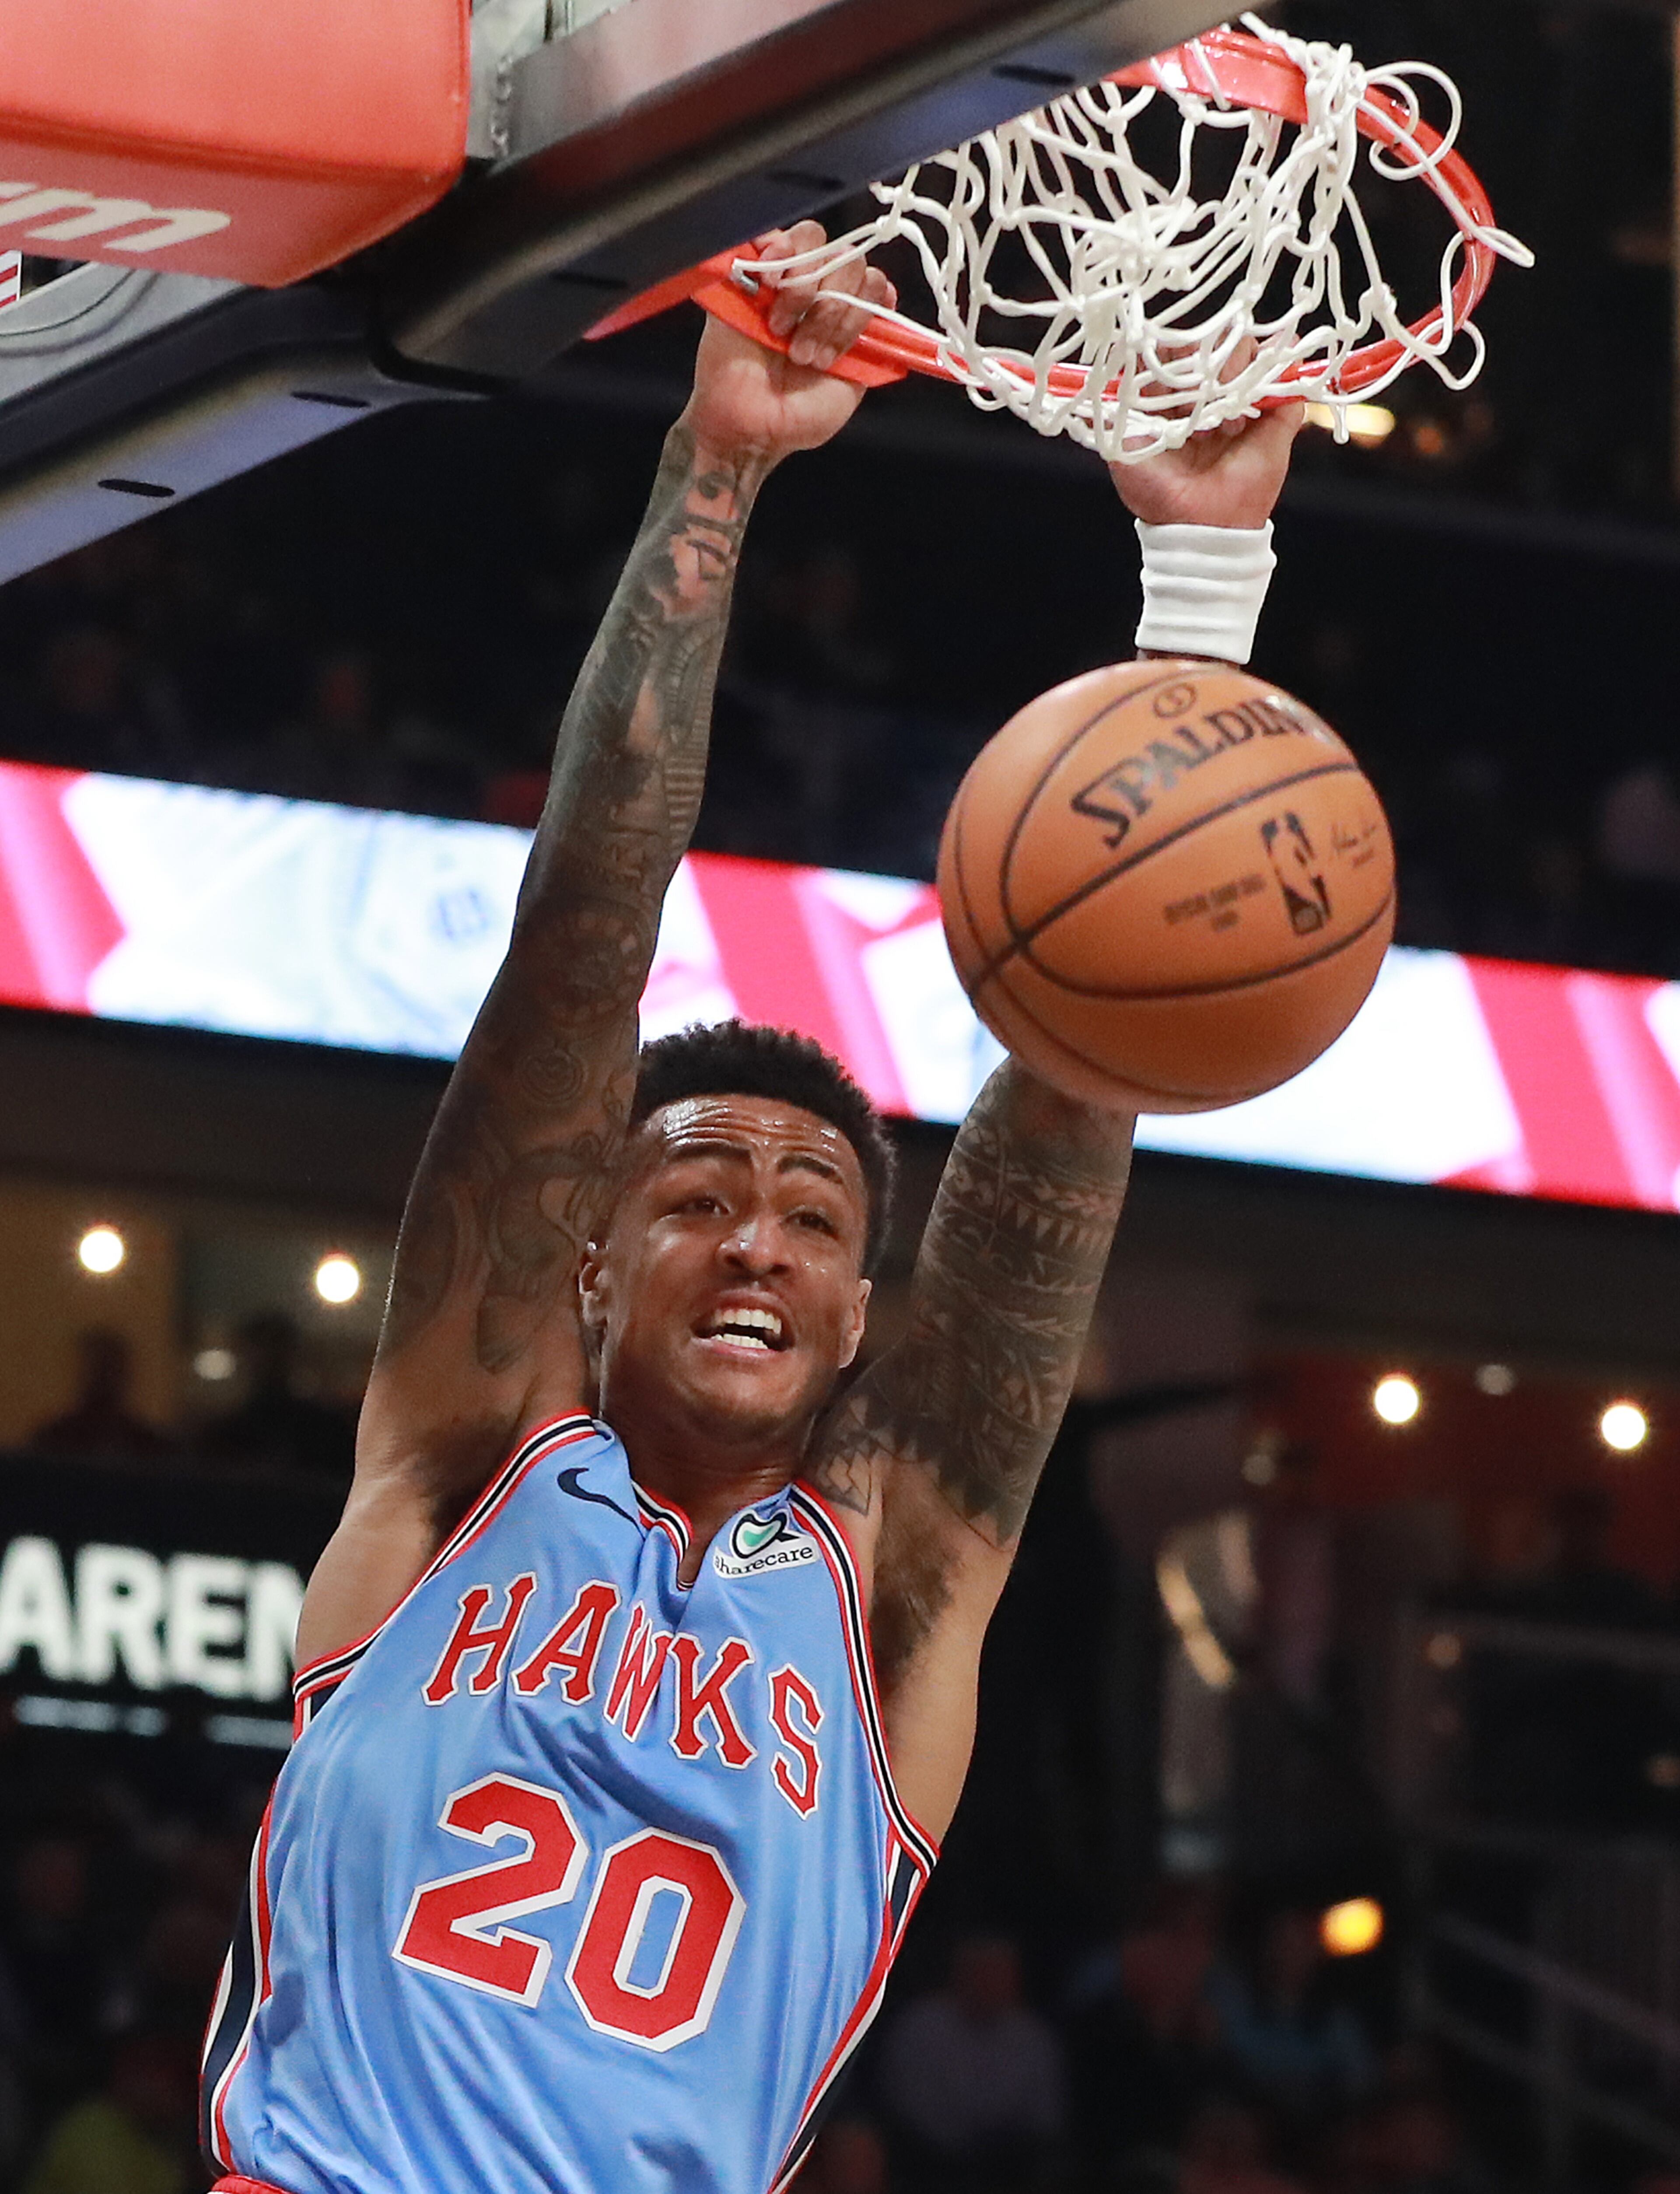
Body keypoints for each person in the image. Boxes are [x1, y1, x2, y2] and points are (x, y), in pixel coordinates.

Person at [200, 222, 1303, 2194]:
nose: (760, 1238)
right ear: (592, 1257)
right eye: (699, 1192)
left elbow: (1069, 1094)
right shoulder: (472, 1457)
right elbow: (578, 943)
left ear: (861, 1317)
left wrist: (1202, 595)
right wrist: (716, 469)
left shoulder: (887, 1587)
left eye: (812, 1215)